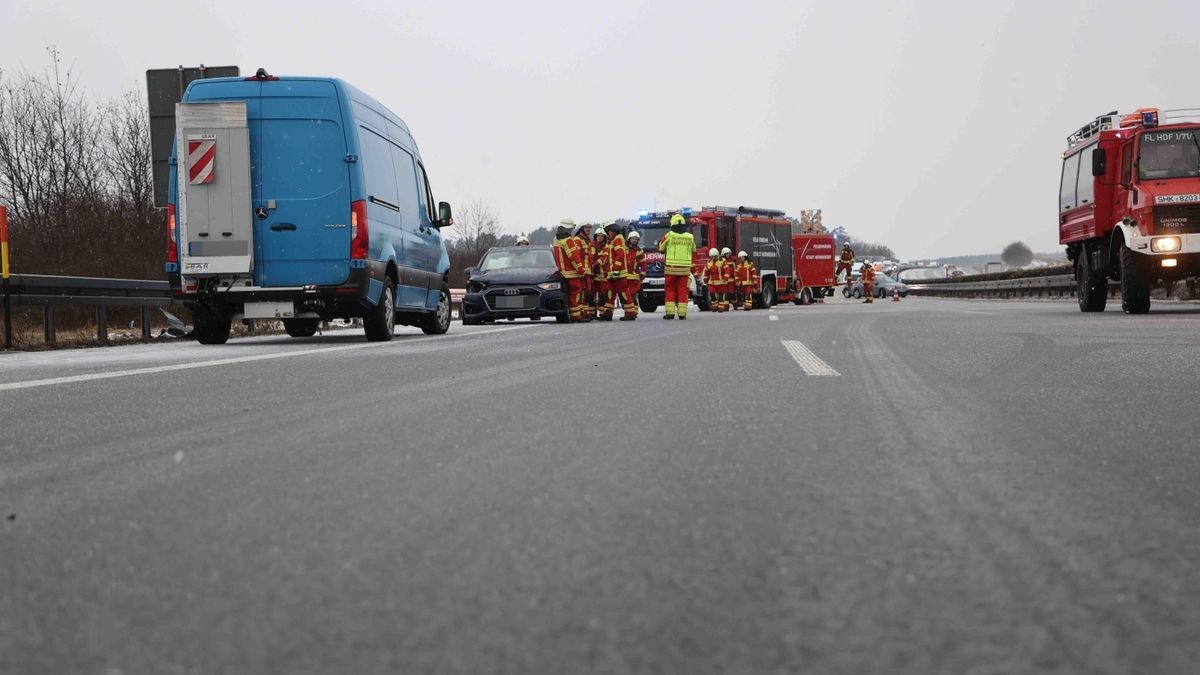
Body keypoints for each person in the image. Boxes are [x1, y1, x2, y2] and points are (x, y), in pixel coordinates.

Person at [658, 213, 696, 319]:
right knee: (683, 290)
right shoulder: (690, 237)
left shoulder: (669, 235)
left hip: (671, 269)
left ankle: (670, 313)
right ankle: (682, 314)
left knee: (670, 290)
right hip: (685, 269)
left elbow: (661, 248)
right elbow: (694, 250)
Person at [555, 219, 587, 322]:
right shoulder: (568, 239)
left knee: (568, 294)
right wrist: (581, 270)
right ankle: (576, 316)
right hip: (571, 273)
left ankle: (572, 314)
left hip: (561, 272)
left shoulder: (556, 238)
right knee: (576, 292)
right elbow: (574, 257)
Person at [618, 230, 644, 321]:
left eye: (636, 239)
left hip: (634, 277)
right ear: (629, 239)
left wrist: (643, 273)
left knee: (633, 295)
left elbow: (643, 263)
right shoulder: (624, 249)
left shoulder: (639, 251)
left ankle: (634, 312)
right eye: (633, 239)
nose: (634, 240)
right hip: (625, 276)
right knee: (625, 296)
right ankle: (627, 311)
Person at [574, 223, 595, 320]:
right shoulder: (578, 239)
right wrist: (580, 269)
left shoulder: (588, 240)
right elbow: (576, 256)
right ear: (582, 228)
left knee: (587, 292)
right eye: (586, 228)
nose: (588, 229)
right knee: (582, 292)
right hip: (581, 272)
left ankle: (585, 313)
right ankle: (580, 313)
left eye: (590, 228)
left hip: (588, 272)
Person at [592, 227, 613, 321]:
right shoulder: (591, 246)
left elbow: (603, 260)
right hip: (593, 275)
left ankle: (602, 314)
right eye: (598, 236)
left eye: (602, 236)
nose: (600, 238)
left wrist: (593, 266)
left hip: (603, 275)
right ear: (595, 236)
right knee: (591, 295)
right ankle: (591, 314)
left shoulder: (606, 247)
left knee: (603, 295)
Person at [719, 248, 735, 312]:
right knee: (725, 293)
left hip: (731, 280)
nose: (728, 255)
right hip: (724, 280)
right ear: (724, 254)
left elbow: (734, 270)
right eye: (727, 254)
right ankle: (726, 306)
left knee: (731, 293)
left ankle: (735, 304)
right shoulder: (721, 261)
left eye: (729, 254)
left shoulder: (732, 262)